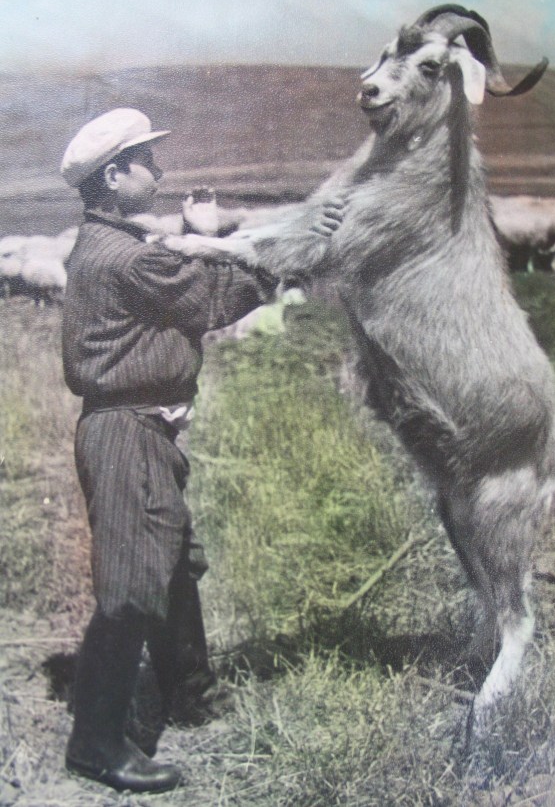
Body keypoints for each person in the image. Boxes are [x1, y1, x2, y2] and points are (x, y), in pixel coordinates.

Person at [59, 108, 340, 794]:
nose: (160, 170)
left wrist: (194, 234)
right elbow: (213, 299)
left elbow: (173, 276)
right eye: (146, 160)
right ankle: (96, 742)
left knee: (173, 565)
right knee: (131, 589)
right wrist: (290, 249)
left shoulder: (109, 241)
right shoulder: (127, 256)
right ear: (113, 175)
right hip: (129, 431)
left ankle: (192, 693)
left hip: (138, 426)